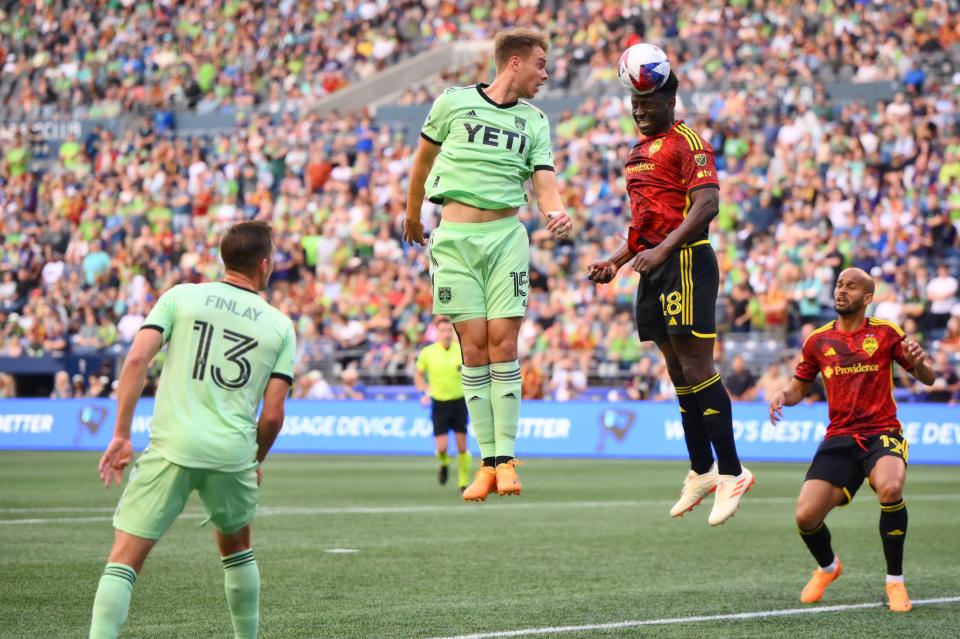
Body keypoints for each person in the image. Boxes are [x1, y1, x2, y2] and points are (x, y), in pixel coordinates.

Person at [89, 221, 296, 639]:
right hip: (232, 453)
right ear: (264, 264)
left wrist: (122, 434)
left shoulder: (181, 296)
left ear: (225, 258)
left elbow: (135, 362)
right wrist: (254, 460)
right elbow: (273, 415)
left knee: (124, 558)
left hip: (172, 447)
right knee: (237, 549)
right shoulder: (280, 326)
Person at [403, 28, 572, 501]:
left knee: (504, 343)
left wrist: (555, 212)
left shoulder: (535, 121)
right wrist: (412, 214)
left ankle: (507, 458)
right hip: (453, 238)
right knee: (473, 349)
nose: (546, 73)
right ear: (514, 63)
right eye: (540, 63)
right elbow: (421, 163)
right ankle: (486, 462)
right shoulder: (452, 103)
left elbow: (545, 184)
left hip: (505, 237)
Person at [587, 67, 753, 525]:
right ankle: (701, 469)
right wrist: (615, 262)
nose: (640, 111)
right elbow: (644, 224)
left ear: (671, 99)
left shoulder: (689, 143)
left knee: (699, 367)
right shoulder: (637, 152)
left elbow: (707, 205)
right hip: (654, 266)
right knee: (677, 371)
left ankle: (733, 472)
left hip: (684, 260)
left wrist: (662, 250)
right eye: (634, 104)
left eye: (649, 103)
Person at [769, 268, 935, 613]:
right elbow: (800, 384)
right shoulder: (817, 340)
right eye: (840, 284)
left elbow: (929, 378)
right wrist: (784, 395)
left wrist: (919, 365)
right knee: (805, 516)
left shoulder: (887, 334)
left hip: (882, 432)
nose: (841, 291)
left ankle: (895, 583)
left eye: (851, 286)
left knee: (890, 489)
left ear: (868, 298)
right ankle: (829, 568)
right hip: (839, 437)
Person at [414, 317, 471, 492]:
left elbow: (471, 373)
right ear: (437, 333)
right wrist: (425, 391)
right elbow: (418, 374)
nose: (446, 333)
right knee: (442, 447)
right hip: (439, 403)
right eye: (443, 330)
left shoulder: (461, 350)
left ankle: (463, 483)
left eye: (449, 330)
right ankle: (444, 463)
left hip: (459, 402)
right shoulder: (428, 353)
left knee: (462, 446)